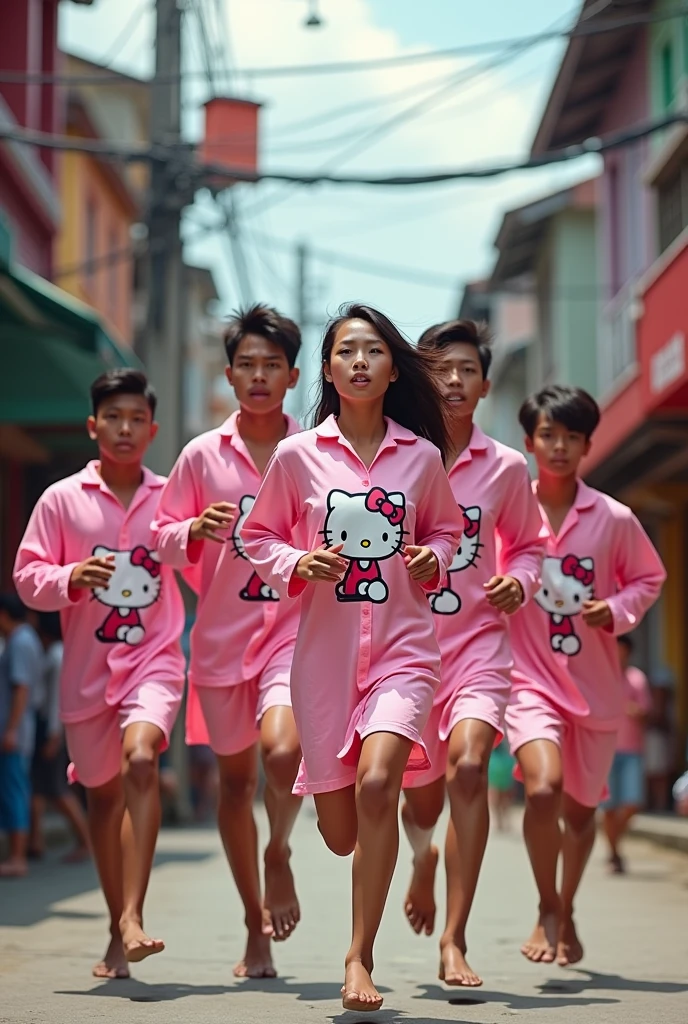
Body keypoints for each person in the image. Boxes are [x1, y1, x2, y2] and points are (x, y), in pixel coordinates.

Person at [242, 303, 464, 1012]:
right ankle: (286, 851)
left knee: (379, 787)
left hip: (405, 651)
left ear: (393, 367)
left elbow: (450, 533)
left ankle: (358, 956)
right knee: (341, 836)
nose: (361, 362)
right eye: (347, 352)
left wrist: (436, 557)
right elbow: (258, 536)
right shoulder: (298, 456)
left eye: (374, 351)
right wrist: (298, 561)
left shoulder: (421, 457)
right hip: (324, 664)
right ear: (330, 370)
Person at [13, 369, 186, 979]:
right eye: (114, 417)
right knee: (105, 800)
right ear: (93, 426)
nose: (125, 428)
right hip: (85, 680)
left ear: (152, 428)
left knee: (142, 761)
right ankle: (118, 930)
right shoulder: (60, 500)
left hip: (155, 663)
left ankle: (134, 917)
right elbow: (27, 578)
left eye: (137, 418)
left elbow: (193, 551)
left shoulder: (169, 497)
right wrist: (69, 579)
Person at [152, 304, 303, 980]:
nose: (260, 376)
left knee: (284, 749)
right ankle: (254, 923)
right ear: (230, 373)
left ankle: (280, 850)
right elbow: (159, 536)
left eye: (272, 364)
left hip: (295, 633)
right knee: (235, 784)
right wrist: (193, 532)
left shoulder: (316, 453)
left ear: (294, 375)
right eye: (248, 365)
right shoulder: (198, 455)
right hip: (218, 640)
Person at [398, 320, 544, 987]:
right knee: (421, 802)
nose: (453, 381)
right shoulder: (397, 458)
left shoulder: (508, 468)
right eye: (441, 369)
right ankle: (423, 855)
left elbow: (532, 544)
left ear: (485, 384)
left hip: (481, 645)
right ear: (423, 378)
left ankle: (455, 939)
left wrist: (522, 579)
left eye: (466, 370)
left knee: (469, 767)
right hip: (407, 649)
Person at [505, 385, 666, 968]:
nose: (560, 446)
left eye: (573, 437)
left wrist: (615, 611)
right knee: (542, 788)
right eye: (549, 434)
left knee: (580, 813)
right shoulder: (508, 510)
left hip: (596, 691)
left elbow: (648, 579)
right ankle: (548, 907)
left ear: (588, 445)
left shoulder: (614, 518)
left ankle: (565, 905)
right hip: (526, 682)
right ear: (530, 442)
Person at [28, 612, 90, 863]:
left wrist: (54, 734)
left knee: (57, 789)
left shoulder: (56, 654)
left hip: (53, 727)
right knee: (42, 787)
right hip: (54, 726)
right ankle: (36, 840)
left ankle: (85, 841)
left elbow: (57, 697)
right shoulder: (59, 651)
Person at [0, 593, 43, 877]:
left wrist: (12, 729)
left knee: (14, 790)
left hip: (14, 731)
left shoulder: (20, 641)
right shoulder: (24, 639)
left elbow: (22, 688)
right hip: (16, 729)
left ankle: (18, 856)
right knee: (15, 790)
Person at [602, 634, 652, 874]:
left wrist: (636, 711)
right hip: (606, 751)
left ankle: (614, 841)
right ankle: (614, 853)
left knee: (632, 804)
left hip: (632, 751)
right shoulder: (600, 677)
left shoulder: (637, 679)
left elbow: (647, 712)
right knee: (609, 808)